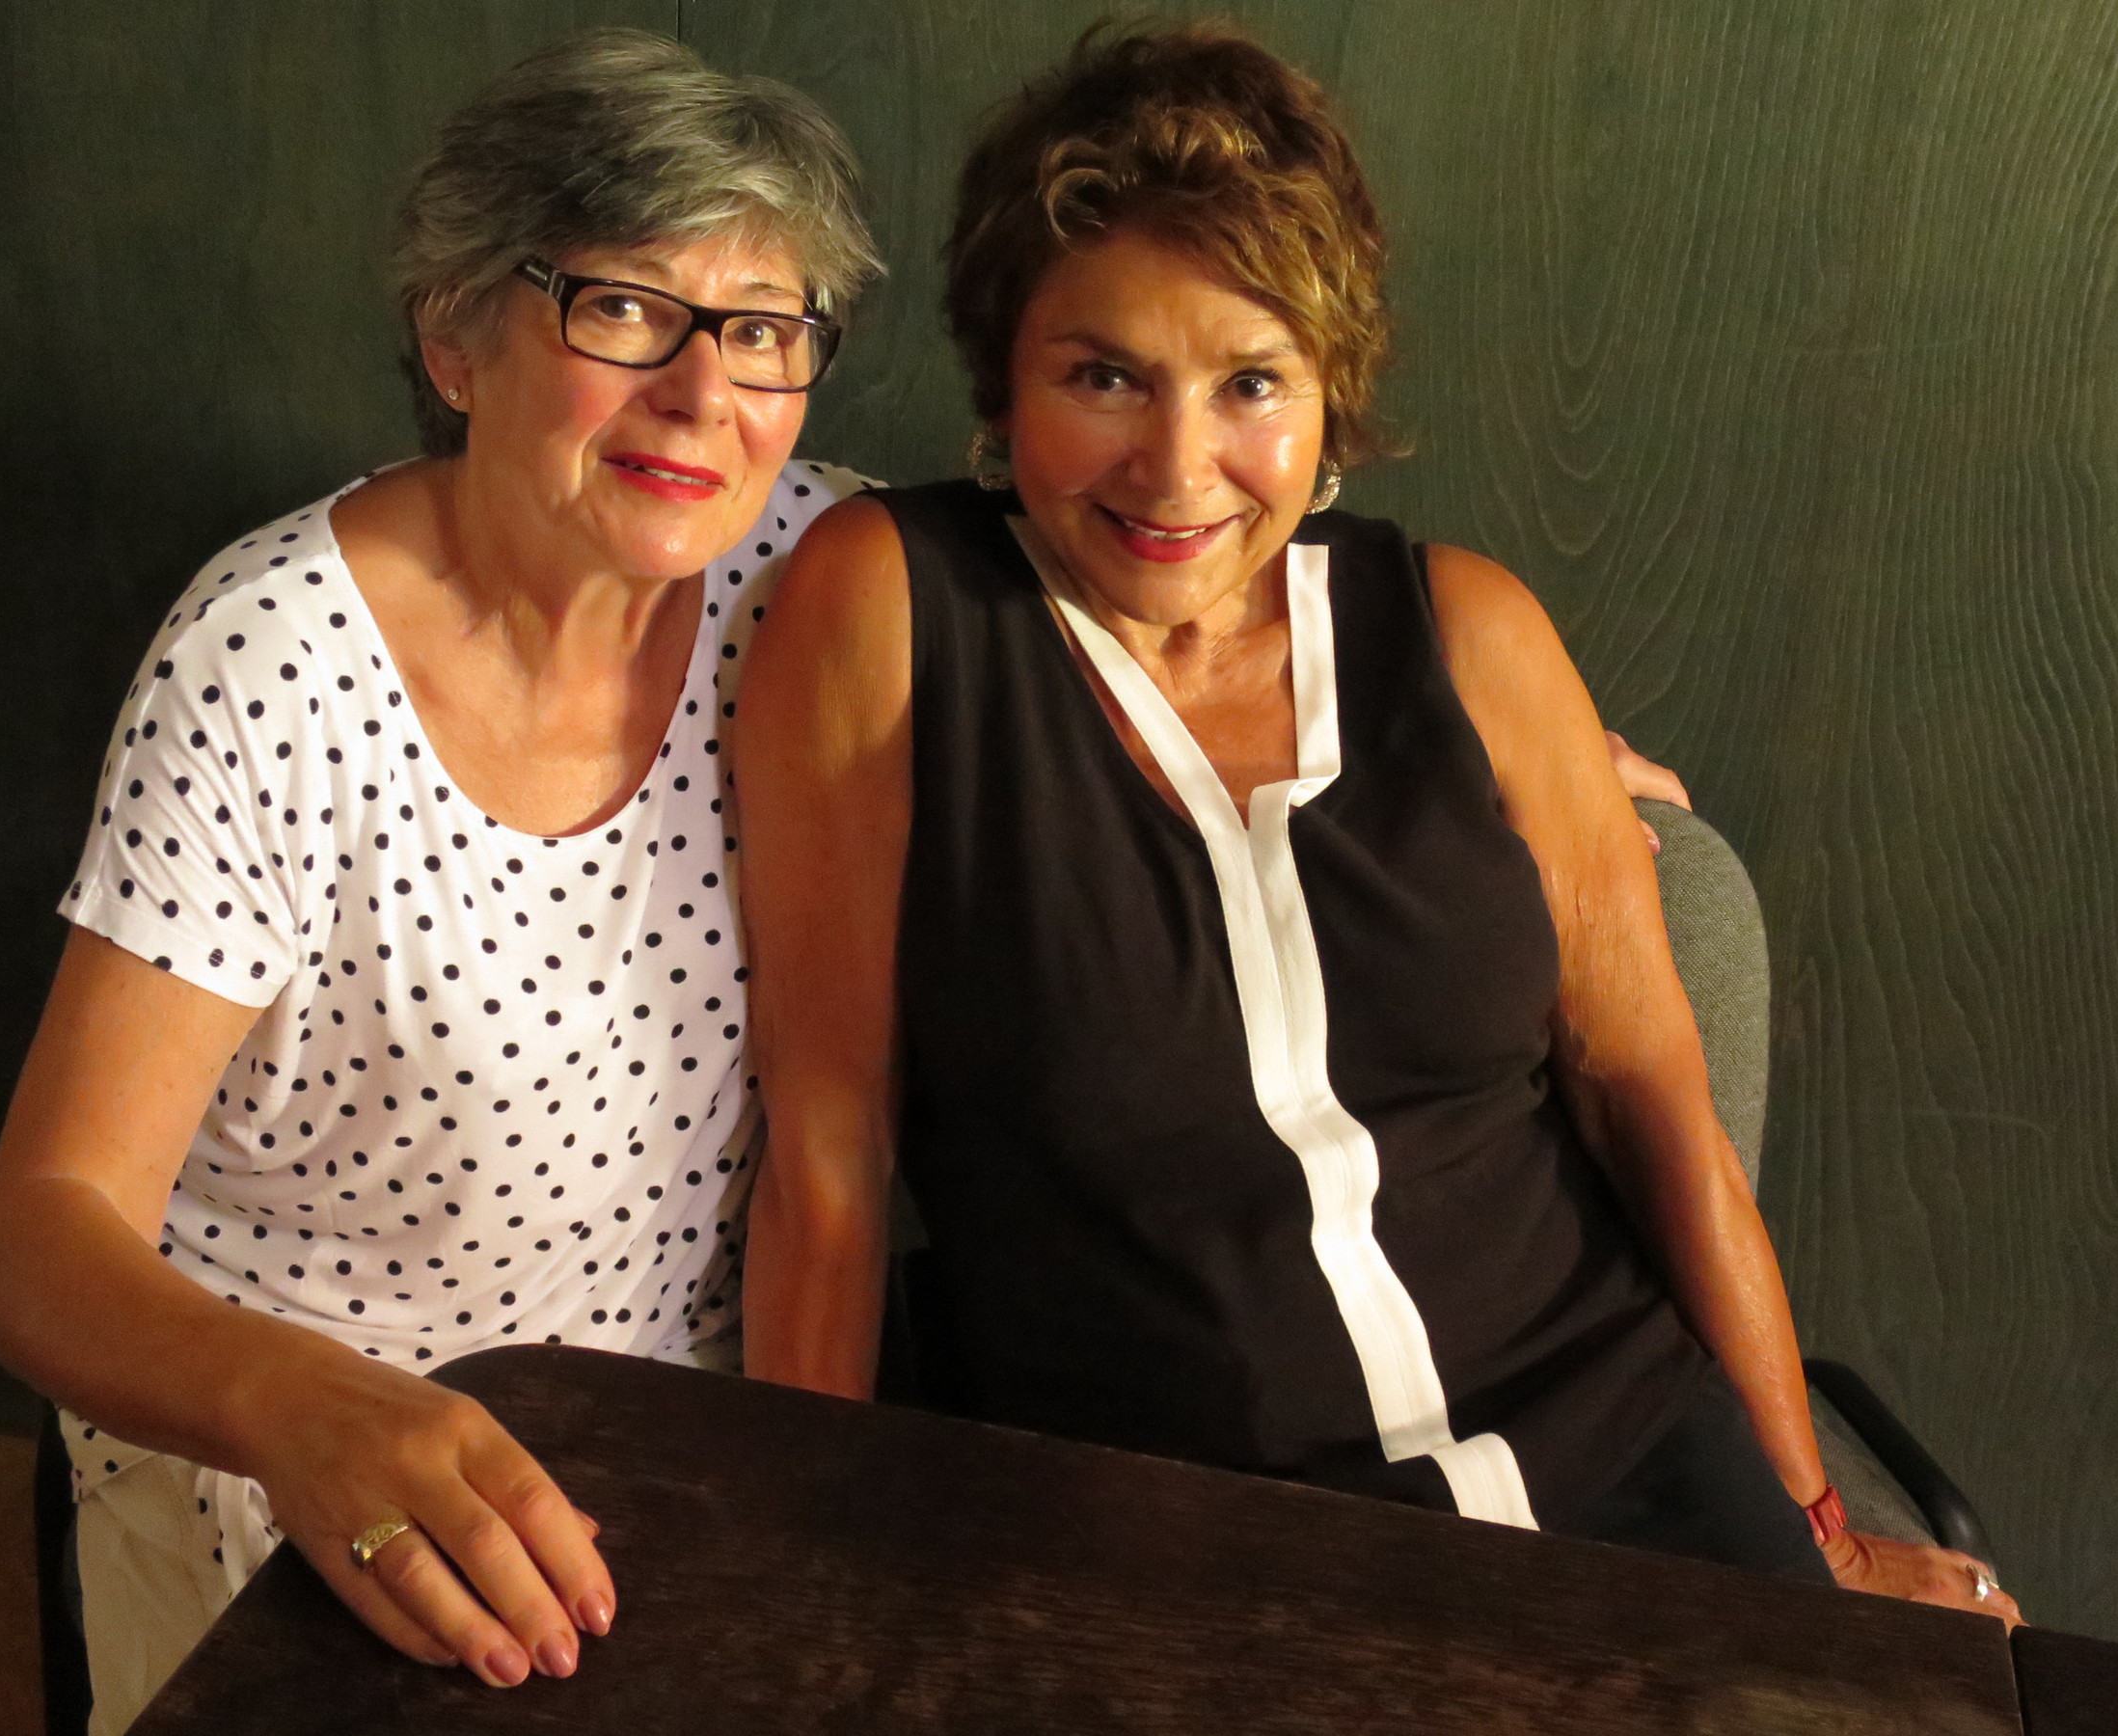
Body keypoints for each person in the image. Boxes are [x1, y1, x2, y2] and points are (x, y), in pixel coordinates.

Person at [734, 22, 2019, 1624]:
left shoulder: (1469, 630)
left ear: (1330, 395)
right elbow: (832, 1152)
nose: (1178, 469)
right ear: (1002, 381)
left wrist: (1816, 1524)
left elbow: (1657, 1108)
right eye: (1104, 376)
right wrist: (799, 1576)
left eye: (1251, 383)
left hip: (1630, 1456)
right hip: (1196, 1545)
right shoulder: (891, 608)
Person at [0, 31, 880, 1731]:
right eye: (623, 309)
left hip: (672, 1453)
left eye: (761, 329)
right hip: (286, 1459)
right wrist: (298, 1408)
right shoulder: (272, 663)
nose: (704, 393)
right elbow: (33, 1239)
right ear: (456, 337)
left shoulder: (826, 577)